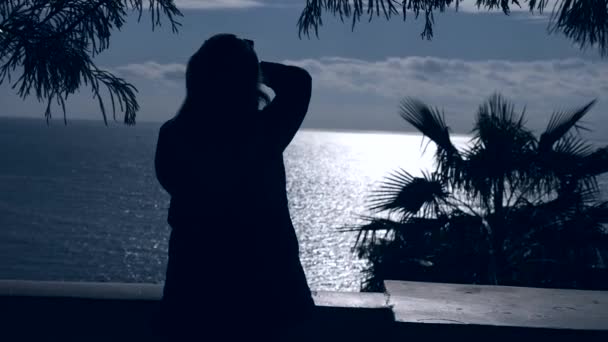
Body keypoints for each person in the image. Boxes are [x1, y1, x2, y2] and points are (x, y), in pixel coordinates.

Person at [154, 33, 315, 340]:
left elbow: (172, 183)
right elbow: (298, 81)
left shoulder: (173, 136)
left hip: (193, 292)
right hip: (268, 294)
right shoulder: (263, 135)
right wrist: (251, 62)